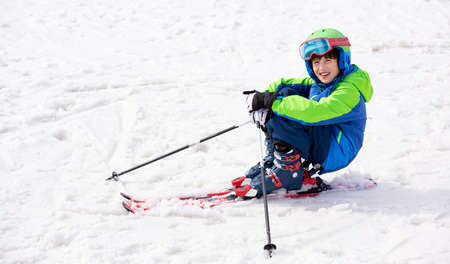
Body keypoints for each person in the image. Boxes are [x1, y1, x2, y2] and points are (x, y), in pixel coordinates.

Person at [232, 28, 374, 198]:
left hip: (337, 149)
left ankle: (288, 171)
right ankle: (277, 161)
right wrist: (262, 98)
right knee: (285, 92)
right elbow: (282, 84)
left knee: (286, 106)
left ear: (342, 60)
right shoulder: (321, 82)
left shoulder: (349, 90)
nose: (321, 68)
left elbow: (316, 112)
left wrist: (272, 102)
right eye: (316, 63)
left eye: (328, 60)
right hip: (324, 141)